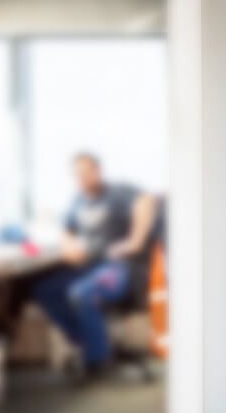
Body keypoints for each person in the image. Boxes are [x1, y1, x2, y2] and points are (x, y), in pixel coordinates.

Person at [33, 153, 157, 378]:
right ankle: (92, 342)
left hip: (119, 268)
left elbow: (146, 200)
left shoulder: (117, 192)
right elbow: (66, 231)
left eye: (87, 172)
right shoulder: (77, 201)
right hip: (88, 267)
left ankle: (97, 362)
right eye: (77, 174)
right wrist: (69, 246)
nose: (82, 178)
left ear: (98, 171)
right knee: (46, 290)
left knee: (82, 293)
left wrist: (136, 240)